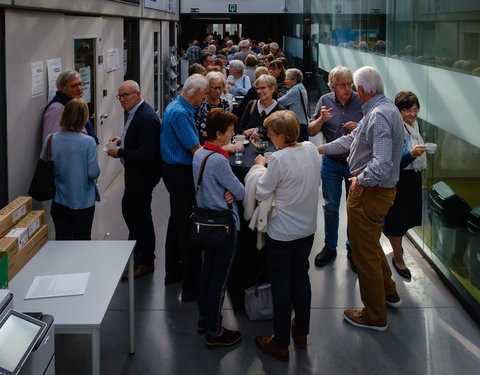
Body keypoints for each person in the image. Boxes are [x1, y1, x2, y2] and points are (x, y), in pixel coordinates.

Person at [317, 66, 404, 331]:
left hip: (369, 194)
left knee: (363, 255)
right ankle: (389, 291)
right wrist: (317, 149)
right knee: (371, 246)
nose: (353, 91)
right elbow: (351, 140)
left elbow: (381, 164)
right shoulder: (384, 109)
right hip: (377, 193)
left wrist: (359, 180)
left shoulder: (378, 115)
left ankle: (374, 316)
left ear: (363, 89)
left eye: (354, 87)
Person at [253, 110, 321, 362]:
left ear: (281, 136)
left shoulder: (279, 159)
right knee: (301, 279)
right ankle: (301, 332)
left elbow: (262, 192)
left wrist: (261, 167)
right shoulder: (312, 149)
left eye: (270, 133)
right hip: (306, 229)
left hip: (281, 232)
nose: (267, 136)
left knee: (281, 285)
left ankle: (280, 343)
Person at [193, 108, 245, 348]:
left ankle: (204, 319)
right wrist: (232, 193)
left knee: (206, 270)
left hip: (204, 223)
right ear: (219, 133)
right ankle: (215, 331)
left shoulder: (200, 153)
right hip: (223, 226)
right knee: (219, 279)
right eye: (231, 132)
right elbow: (242, 192)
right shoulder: (219, 161)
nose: (233, 135)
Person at [308, 66, 363, 271]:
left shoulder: (361, 101)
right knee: (330, 206)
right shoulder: (324, 100)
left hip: (355, 164)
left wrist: (359, 128)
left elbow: (372, 131)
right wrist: (321, 119)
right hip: (330, 163)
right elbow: (311, 130)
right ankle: (330, 247)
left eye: (350, 84)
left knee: (354, 209)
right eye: (343, 85)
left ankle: (352, 249)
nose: (348, 88)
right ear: (333, 86)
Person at [107, 80, 162, 279]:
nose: (122, 100)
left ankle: (146, 261)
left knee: (140, 218)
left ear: (137, 94)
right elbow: (140, 140)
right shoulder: (138, 113)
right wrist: (123, 141)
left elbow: (147, 153)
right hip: (135, 176)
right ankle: (136, 252)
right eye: (119, 96)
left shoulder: (146, 117)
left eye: (125, 95)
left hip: (142, 177)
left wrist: (120, 152)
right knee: (130, 211)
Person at [160, 74, 208, 301]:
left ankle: (173, 273)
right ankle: (190, 287)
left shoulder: (176, 106)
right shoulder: (180, 113)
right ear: (196, 92)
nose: (206, 97)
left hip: (174, 173)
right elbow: (196, 150)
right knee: (187, 228)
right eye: (205, 92)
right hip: (180, 175)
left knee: (175, 223)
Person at [384, 92, 427, 280]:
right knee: (397, 220)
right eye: (407, 110)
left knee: (409, 216)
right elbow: (393, 162)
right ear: (398, 111)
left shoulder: (416, 127)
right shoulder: (396, 129)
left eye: (415, 109)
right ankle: (398, 258)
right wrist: (411, 154)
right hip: (399, 179)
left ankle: (397, 244)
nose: (412, 114)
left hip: (413, 178)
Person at [45, 98, 100, 240]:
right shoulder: (88, 142)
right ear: (84, 118)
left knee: (62, 239)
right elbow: (93, 172)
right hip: (84, 202)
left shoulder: (51, 139)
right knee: (82, 241)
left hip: (60, 200)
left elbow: (46, 166)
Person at [42, 69, 98, 144]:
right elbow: (50, 142)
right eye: (74, 86)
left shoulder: (75, 104)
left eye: (80, 84)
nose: (79, 88)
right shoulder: (56, 108)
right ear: (62, 88)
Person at [195, 72, 231, 144]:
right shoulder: (200, 104)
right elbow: (196, 130)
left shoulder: (225, 104)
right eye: (214, 88)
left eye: (220, 88)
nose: (217, 91)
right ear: (207, 88)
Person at [277, 68, 309, 141]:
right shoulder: (301, 88)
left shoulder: (295, 91)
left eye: (287, 79)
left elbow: (280, 102)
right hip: (303, 123)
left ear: (294, 81)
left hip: (297, 125)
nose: (285, 82)